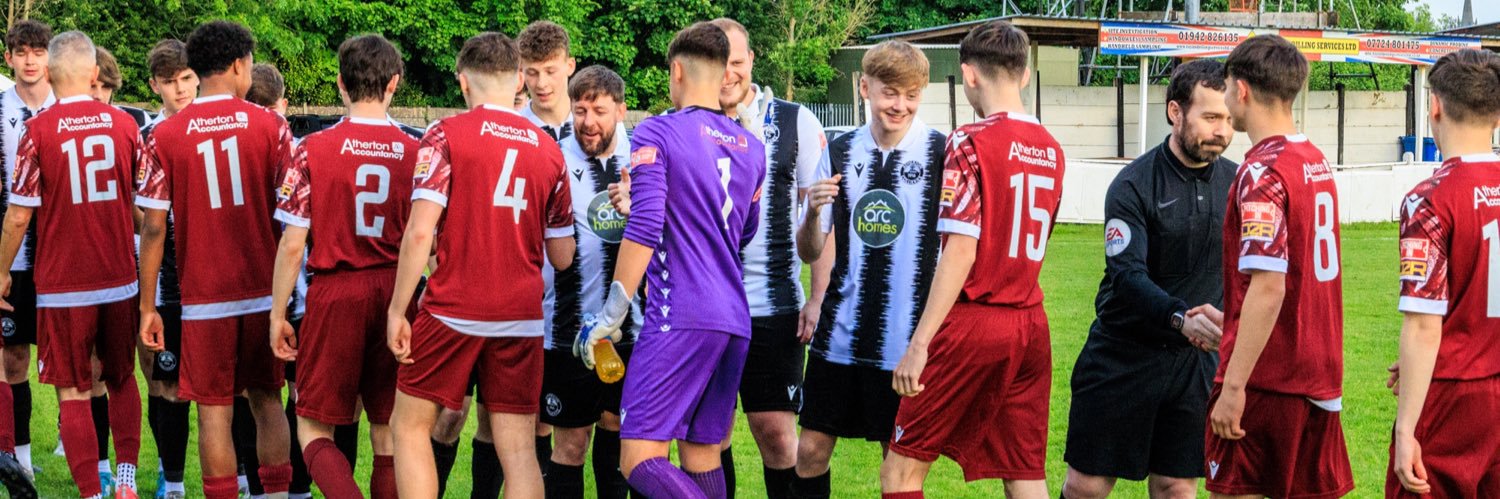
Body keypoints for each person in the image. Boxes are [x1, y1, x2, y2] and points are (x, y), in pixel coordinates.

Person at [577, 21, 765, 499]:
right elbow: (745, 230)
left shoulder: (656, 131)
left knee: (638, 457)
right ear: (724, 74)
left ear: (676, 71)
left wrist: (611, 314)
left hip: (679, 315)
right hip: (735, 320)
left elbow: (643, 226)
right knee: (702, 453)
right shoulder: (753, 148)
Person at [384, 31, 575, 499]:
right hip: (521, 315)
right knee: (518, 451)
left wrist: (397, 309)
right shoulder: (550, 150)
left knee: (408, 426)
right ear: (517, 83)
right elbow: (563, 256)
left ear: (463, 83)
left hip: (454, 306)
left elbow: (421, 230)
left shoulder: (445, 134)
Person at [878, 21, 1063, 499]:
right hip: (1030, 323)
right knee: (1023, 471)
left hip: (975, 320)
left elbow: (962, 247)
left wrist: (920, 344)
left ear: (969, 76)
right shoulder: (1052, 149)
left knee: (901, 472)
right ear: (1025, 75)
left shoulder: (970, 140)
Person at [1061, 58, 1236, 499]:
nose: (1223, 130)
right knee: (1087, 486)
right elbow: (1126, 275)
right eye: (1211, 117)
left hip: (1194, 365)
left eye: (1229, 118)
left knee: (1177, 487)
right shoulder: (1133, 185)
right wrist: (1180, 318)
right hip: (1123, 354)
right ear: (1175, 112)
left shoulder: (1239, 184)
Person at [135, 20, 295, 499]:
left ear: (198, 70)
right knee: (268, 401)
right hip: (263, 293)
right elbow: (295, 222)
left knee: (213, 410)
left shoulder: (164, 134)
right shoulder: (273, 126)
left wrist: (148, 306)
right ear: (240, 65)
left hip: (203, 296)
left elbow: (154, 226)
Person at [788, 39, 945, 499]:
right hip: (839, 335)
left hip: (905, 341)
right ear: (864, 87)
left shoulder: (941, 152)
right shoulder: (838, 152)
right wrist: (814, 214)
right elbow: (808, 250)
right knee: (811, 451)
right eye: (889, 92)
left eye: (911, 94)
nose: (899, 105)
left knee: (895, 464)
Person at [268, 34, 416, 499]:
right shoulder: (418, 151)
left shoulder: (310, 148)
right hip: (398, 290)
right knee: (388, 429)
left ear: (339, 84)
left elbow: (293, 244)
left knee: (312, 426)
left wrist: (277, 315)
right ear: (395, 84)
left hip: (337, 289)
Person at [0, 30, 144, 499]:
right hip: (120, 278)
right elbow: (145, 210)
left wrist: (1, 271)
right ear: (95, 74)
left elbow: (19, 214)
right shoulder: (124, 124)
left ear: (51, 72)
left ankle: (91, 493)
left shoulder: (36, 131)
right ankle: (124, 479)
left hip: (63, 284)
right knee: (121, 380)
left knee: (73, 391)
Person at [1207, 34, 1351, 499]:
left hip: (1270, 377)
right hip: (1318, 370)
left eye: (1227, 87)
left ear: (1241, 90)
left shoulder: (1261, 171)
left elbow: (1270, 286)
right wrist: (1229, 321)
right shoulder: (1314, 160)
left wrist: (1234, 386)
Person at [701, 18, 828, 498]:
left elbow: (821, 215)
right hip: (705, 309)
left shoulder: (795, 120)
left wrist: (817, 299)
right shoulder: (689, 123)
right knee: (707, 436)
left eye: (736, 61)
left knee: (775, 433)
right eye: (719, 63)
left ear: (751, 60)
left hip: (773, 309)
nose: (728, 73)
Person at [1386, 48, 1500, 498]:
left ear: (1434, 106)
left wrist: (1406, 428)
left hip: (1454, 396)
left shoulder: (1430, 200)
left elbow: (1422, 324)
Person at [538, 65, 639, 499]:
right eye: (580, 110)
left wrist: (636, 206)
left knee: (620, 439)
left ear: (621, 109)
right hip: (565, 330)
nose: (588, 122)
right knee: (571, 444)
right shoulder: (552, 158)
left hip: (633, 329)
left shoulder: (643, 158)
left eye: (599, 110)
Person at [136, 38, 197, 499]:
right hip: (169, 270)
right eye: (170, 82)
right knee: (165, 380)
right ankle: (169, 476)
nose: (181, 90)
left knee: (231, 388)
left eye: (187, 79)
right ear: (154, 85)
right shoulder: (147, 137)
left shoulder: (214, 125)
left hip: (215, 270)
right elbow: (136, 209)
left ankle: (240, 475)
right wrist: (165, 217)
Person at [0, 20, 54, 478]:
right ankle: (22, 460)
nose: (31, 59)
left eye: (39, 51)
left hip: (62, 257)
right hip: (12, 257)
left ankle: (88, 458)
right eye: (23, 51)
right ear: (9, 58)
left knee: (77, 363)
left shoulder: (70, 108)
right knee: (14, 358)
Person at [518, 20, 575, 142]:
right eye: (532, 73)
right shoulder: (513, 131)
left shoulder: (600, 127)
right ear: (521, 72)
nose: (541, 84)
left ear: (570, 66)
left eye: (550, 72)